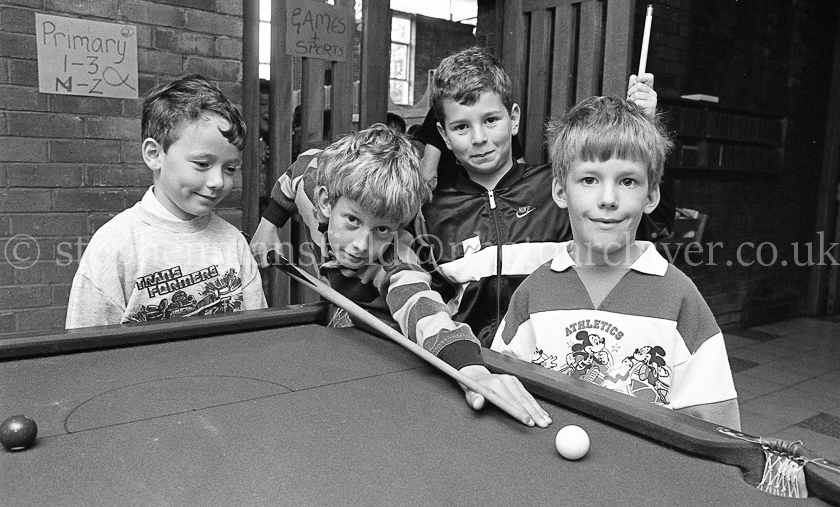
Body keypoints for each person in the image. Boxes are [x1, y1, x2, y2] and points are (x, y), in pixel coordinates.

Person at [249, 124, 552, 427]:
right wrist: (269, 222)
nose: (360, 245)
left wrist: (471, 369)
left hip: (388, 350)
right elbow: (298, 170)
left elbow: (424, 309)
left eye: (382, 229)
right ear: (326, 202)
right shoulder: (314, 179)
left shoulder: (395, 261)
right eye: (353, 220)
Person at [491, 96, 740, 429]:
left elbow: (718, 430)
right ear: (561, 192)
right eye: (589, 180)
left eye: (628, 181)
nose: (608, 199)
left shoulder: (681, 299)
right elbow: (501, 392)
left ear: (651, 196)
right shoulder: (532, 294)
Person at [412, 46, 663, 346]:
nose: (479, 138)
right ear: (443, 136)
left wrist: (645, 133)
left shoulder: (559, 189)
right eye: (462, 126)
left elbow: (643, 225)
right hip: (470, 371)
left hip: (553, 366)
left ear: (513, 118)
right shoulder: (432, 212)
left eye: (491, 120)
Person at [65, 74, 267, 328]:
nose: (218, 181)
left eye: (230, 169)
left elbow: (258, 333)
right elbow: (86, 351)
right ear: (154, 154)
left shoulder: (233, 241)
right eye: (202, 164)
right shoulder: (115, 246)